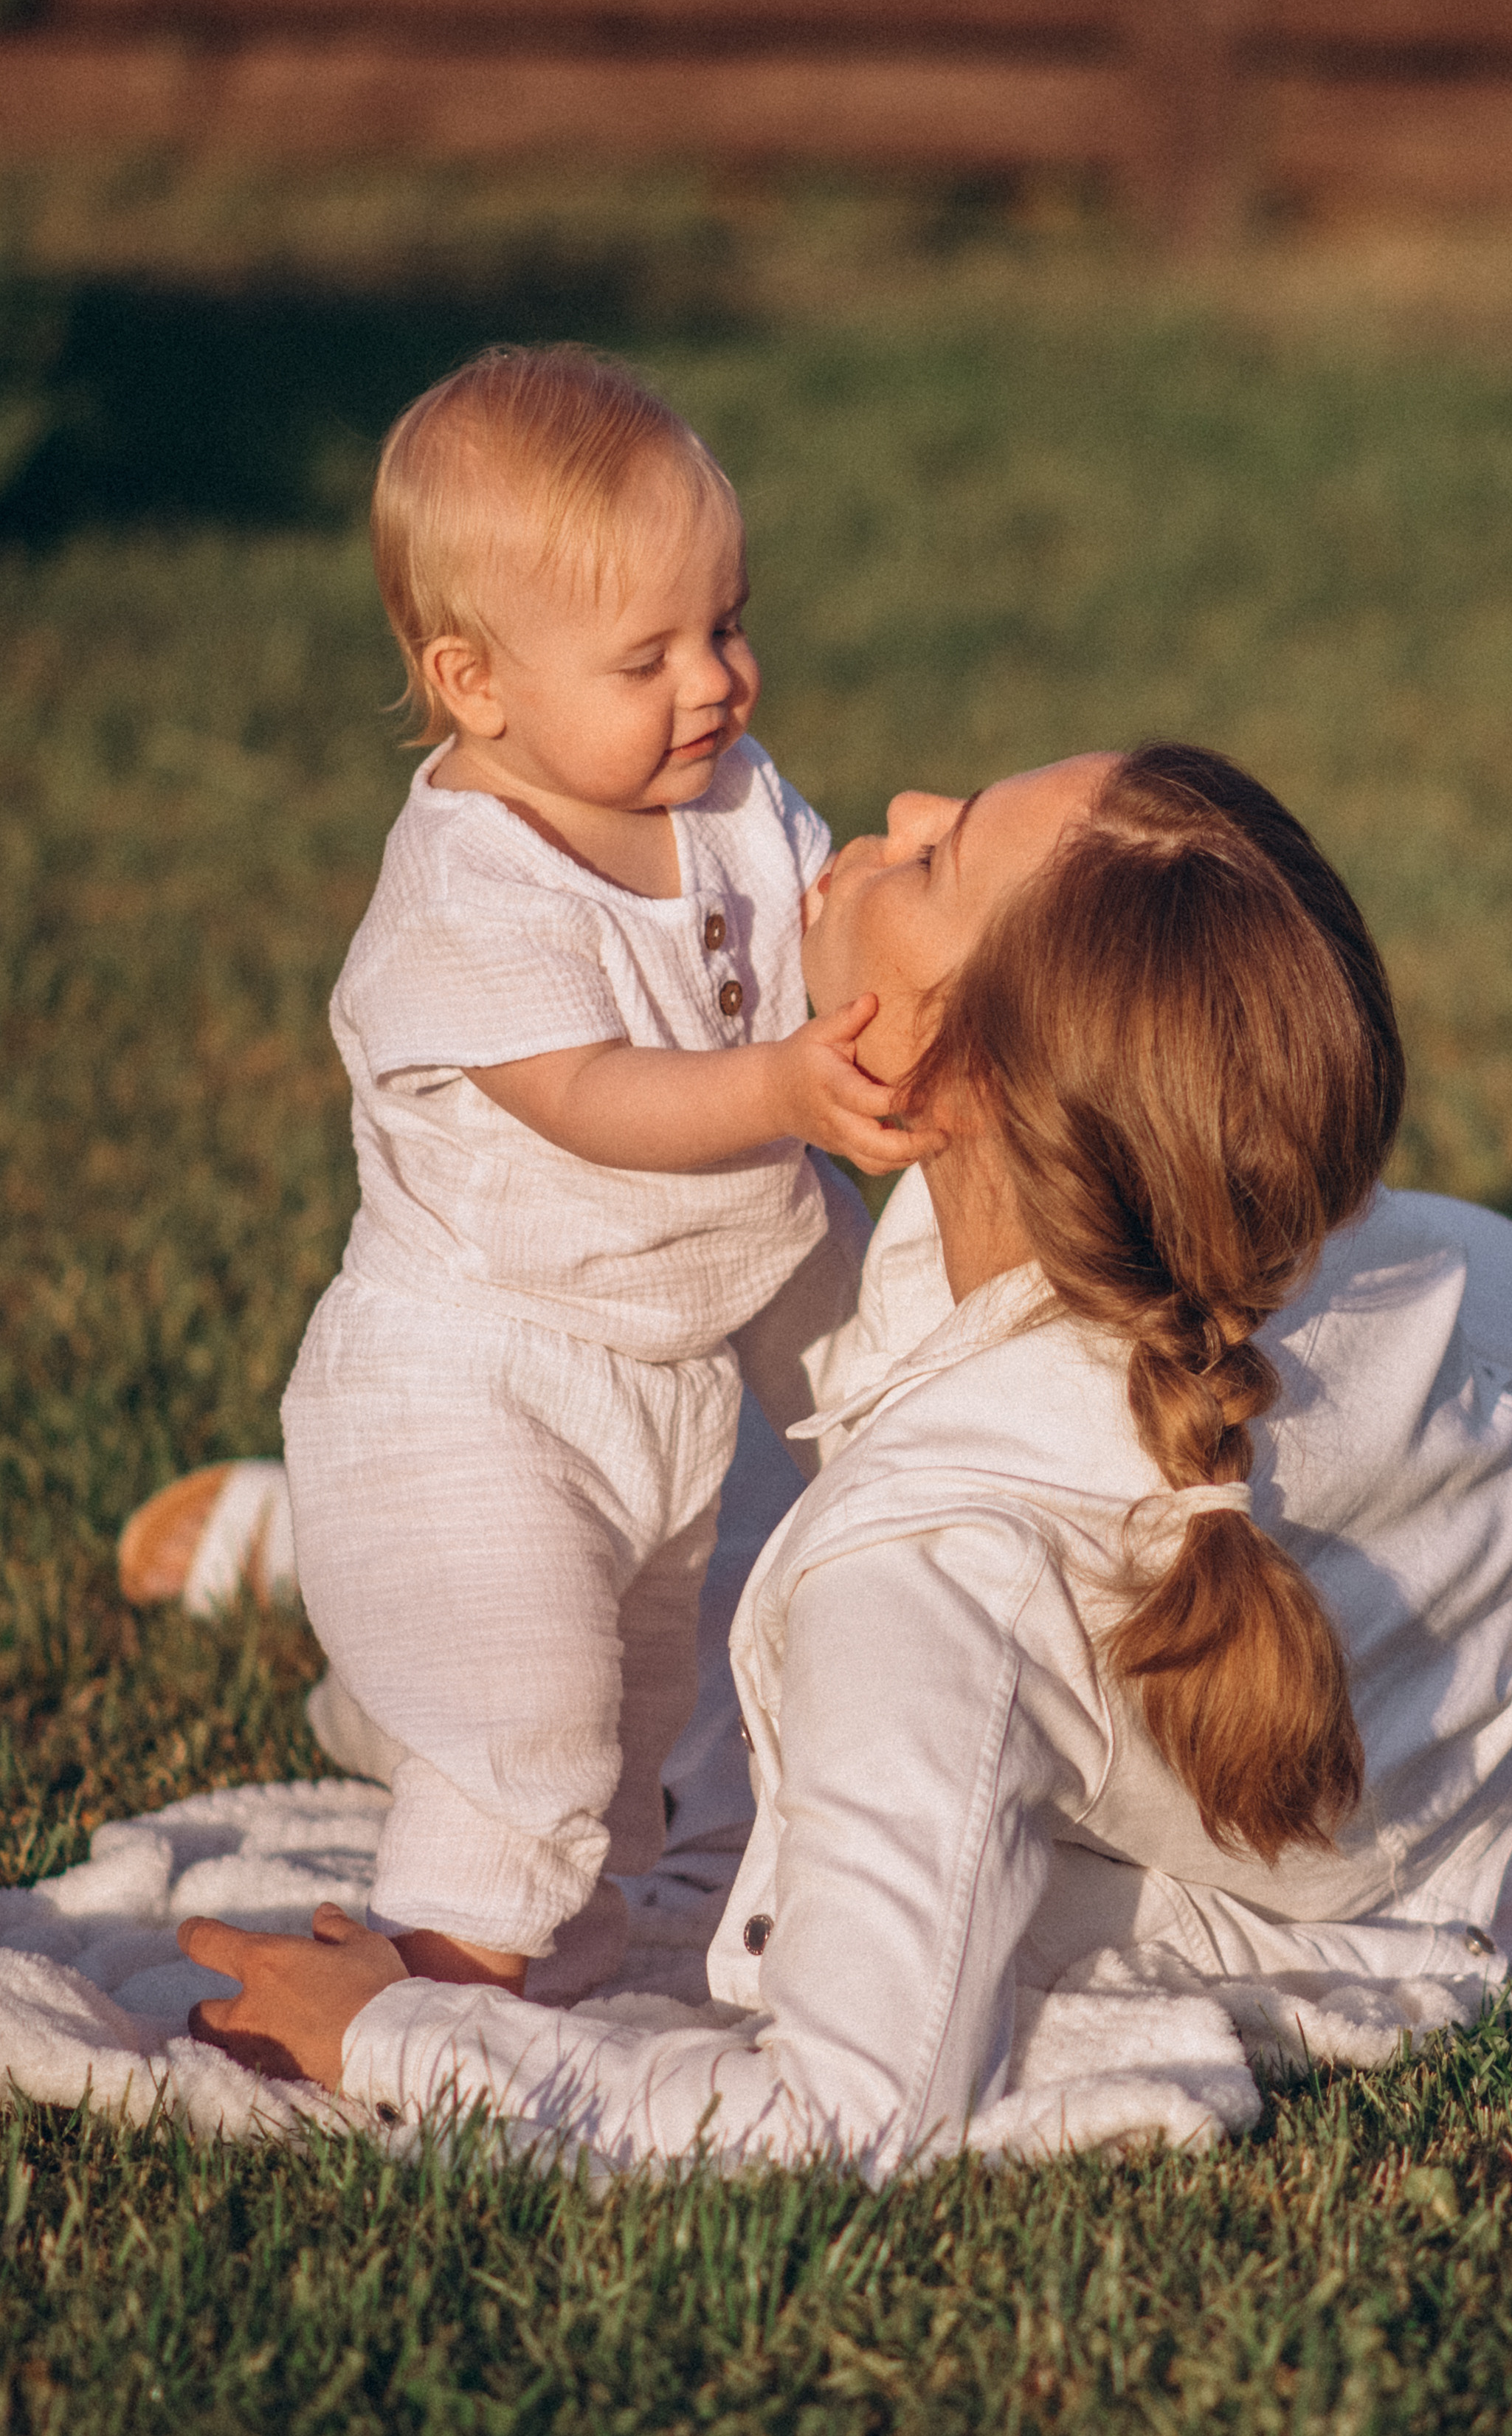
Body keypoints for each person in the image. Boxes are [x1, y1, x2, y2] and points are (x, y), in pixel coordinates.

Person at [179, 745, 1512, 2176]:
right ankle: (419, 1531)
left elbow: (849, 2109)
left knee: (618, 1706)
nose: (898, 803)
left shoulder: (922, 1576)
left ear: (929, 1066)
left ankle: (380, 1547)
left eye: (933, 856)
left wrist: (394, 2027)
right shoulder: (1228, 1202)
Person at [146, 345, 942, 2010]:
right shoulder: (468, 881)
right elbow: (590, 1094)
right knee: (533, 1718)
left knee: (621, 1756)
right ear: (475, 683)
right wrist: (788, 1083)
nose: (715, 680)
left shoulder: (720, 794)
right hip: (470, 1386)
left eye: (725, 622)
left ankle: (543, 1970)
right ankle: (412, 2010)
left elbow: (815, 926)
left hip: (663, 1383)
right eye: (646, 654)